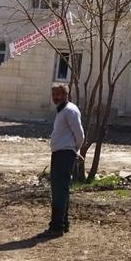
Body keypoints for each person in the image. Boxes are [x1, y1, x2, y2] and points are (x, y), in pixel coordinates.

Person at [37, 83, 84, 238]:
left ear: (66, 95)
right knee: (60, 190)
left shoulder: (70, 111)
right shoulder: (62, 111)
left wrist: (74, 150)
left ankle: (56, 227)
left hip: (64, 154)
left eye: (58, 94)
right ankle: (62, 224)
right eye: (53, 95)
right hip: (60, 153)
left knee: (59, 190)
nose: (55, 97)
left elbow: (80, 134)